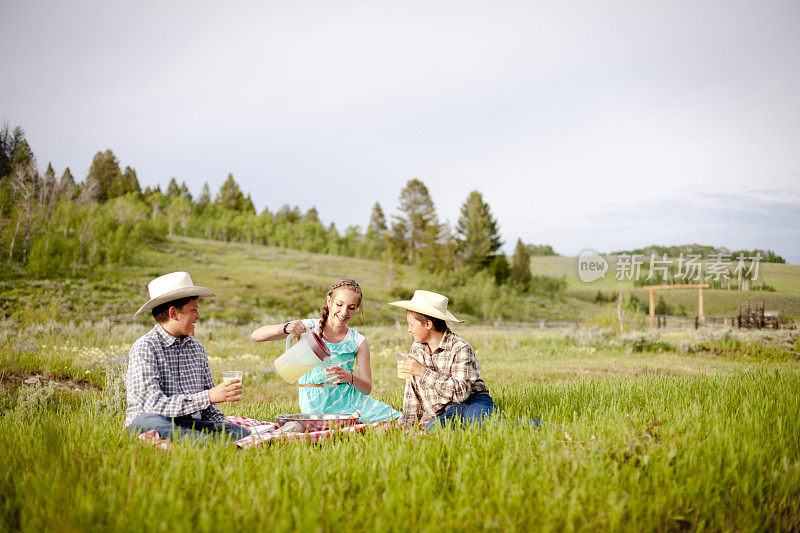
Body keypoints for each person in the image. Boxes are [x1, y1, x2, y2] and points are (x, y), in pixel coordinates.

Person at [251, 279, 401, 423]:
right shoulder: (308, 328)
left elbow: (367, 388)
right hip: (315, 407)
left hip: (352, 402)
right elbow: (256, 335)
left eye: (351, 307)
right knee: (339, 428)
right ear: (329, 301)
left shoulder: (358, 341)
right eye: (339, 304)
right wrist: (286, 327)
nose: (344, 312)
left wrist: (350, 377)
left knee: (396, 419)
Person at [125, 271, 251, 443]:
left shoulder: (197, 348)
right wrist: (208, 396)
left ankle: (204, 441)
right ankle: (205, 442)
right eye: (194, 310)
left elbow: (208, 409)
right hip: (154, 422)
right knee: (146, 422)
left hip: (189, 424)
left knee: (239, 431)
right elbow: (153, 405)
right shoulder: (145, 347)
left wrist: (223, 425)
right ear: (173, 313)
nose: (198, 316)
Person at [389, 290, 495, 430]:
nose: (409, 330)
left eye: (411, 325)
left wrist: (423, 372)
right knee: (433, 429)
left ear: (428, 325)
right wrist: (405, 427)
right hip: (446, 412)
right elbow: (411, 393)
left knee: (482, 426)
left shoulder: (460, 347)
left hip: (473, 401)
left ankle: (532, 426)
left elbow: (461, 393)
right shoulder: (416, 349)